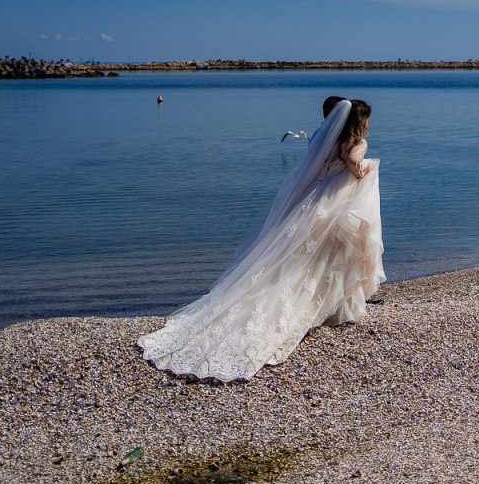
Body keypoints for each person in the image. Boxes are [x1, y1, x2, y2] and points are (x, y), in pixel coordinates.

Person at [138, 97, 384, 381]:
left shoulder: (324, 137)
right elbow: (355, 166)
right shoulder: (357, 143)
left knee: (305, 257)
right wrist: (365, 169)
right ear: (359, 120)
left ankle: (330, 304)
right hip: (335, 201)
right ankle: (337, 306)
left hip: (316, 200)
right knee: (330, 255)